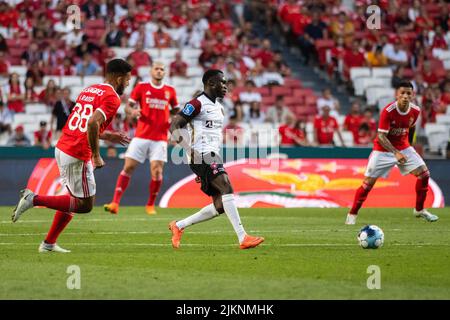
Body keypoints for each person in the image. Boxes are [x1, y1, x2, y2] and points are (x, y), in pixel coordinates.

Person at [12, 58, 133, 253]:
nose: (127, 84)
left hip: (63, 146)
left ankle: (48, 243)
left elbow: (84, 124)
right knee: (85, 205)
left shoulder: (90, 90)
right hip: (77, 152)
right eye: (127, 80)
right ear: (119, 79)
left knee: (71, 198)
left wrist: (108, 135)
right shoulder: (112, 98)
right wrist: (96, 155)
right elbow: (92, 123)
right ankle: (33, 199)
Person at [168, 69, 264, 250]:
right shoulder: (197, 104)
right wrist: (191, 153)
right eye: (223, 83)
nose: (226, 87)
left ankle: (179, 225)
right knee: (227, 187)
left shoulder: (219, 108)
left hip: (211, 155)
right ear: (211, 83)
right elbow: (174, 125)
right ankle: (243, 237)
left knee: (220, 205)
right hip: (202, 154)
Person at [345, 80, 438, 225]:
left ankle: (419, 210)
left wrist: (409, 147)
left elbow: (411, 127)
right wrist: (395, 153)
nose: (405, 96)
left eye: (409, 93)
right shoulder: (388, 111)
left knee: (424, 174)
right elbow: (381, 136)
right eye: (402, 93)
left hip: (403, 147)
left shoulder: (415, 110)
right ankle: (352, 214)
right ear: (397, 94)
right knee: (367, 184)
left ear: (413, 95)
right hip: (382, 150)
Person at [104, 62, 178, 215]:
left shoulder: (170, 91)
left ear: (165, 73)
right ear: (151, 71)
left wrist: (176, 121)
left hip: (160, 137)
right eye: (156, 69)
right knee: (128, 167)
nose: (159, 71)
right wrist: (133, 111)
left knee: (156, 171)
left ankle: (150, 205)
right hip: (141, 135)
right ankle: (115, 203)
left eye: (162, 69)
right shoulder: (141, 87)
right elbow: (127, 107)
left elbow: (177, 111)